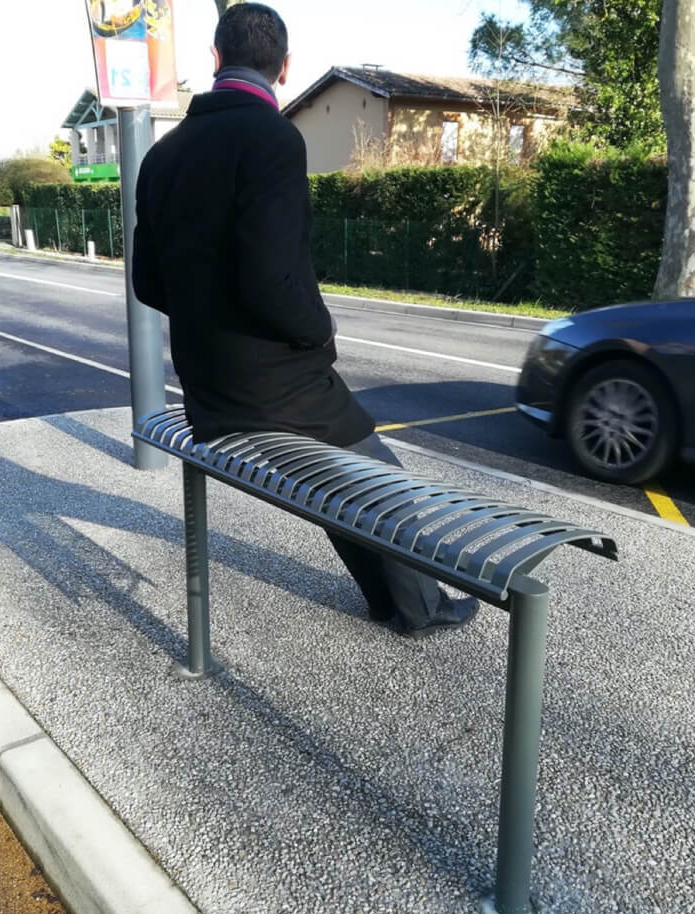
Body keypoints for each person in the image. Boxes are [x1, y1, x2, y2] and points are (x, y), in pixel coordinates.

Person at [132, 2, 478, 638]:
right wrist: (318, 331)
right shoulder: (273, 138)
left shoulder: (164, 154)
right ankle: (420, 608)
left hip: (206, 387)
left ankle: (387, 599)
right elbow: (272, 280)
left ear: (216, 59)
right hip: (271, 385)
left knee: (340, 474)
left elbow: (147, 282)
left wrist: (209, 315)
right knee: (381, 478)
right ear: (285, 67)